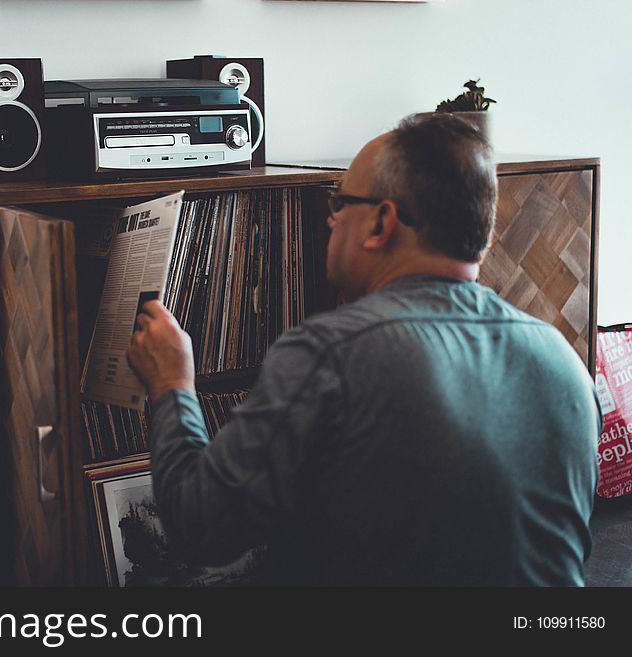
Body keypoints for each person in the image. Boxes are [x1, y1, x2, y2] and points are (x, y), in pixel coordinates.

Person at [127, 112, 601, 586]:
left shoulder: (329, 354)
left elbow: (199, 530)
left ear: (380, 223)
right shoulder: (564, 361)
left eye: (341, 202)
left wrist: (171, 383)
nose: (331, 219)